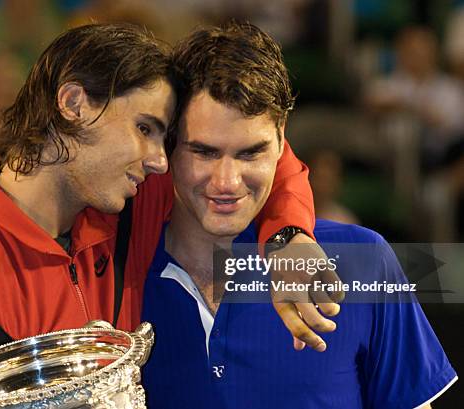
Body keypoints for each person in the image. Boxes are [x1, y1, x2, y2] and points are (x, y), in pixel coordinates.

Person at [0, 23, 327, 408]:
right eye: (144, 128)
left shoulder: (127, 207)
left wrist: (288, 237)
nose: (160, 161)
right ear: (73, 105)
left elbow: (263, 149)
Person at [141, 22, 457, 409]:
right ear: (168, 142)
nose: (226, 181)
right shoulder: (113, 266)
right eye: (203, 152)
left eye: (250, 152)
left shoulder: (365, 260)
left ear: (281, 139)